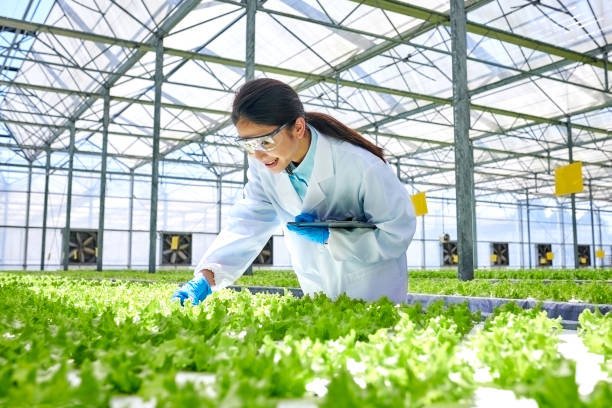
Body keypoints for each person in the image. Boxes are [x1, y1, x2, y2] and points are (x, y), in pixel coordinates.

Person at [172, 78, 416, 306]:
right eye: (248, 145)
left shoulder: (362, 166)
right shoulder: (263, 168)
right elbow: (249, 221)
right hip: (316, 290)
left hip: (372, 291)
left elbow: (397, 233)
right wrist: (208, 275)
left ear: (298, 128)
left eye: (265, 142)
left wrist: (334, 236)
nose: (257, 155)